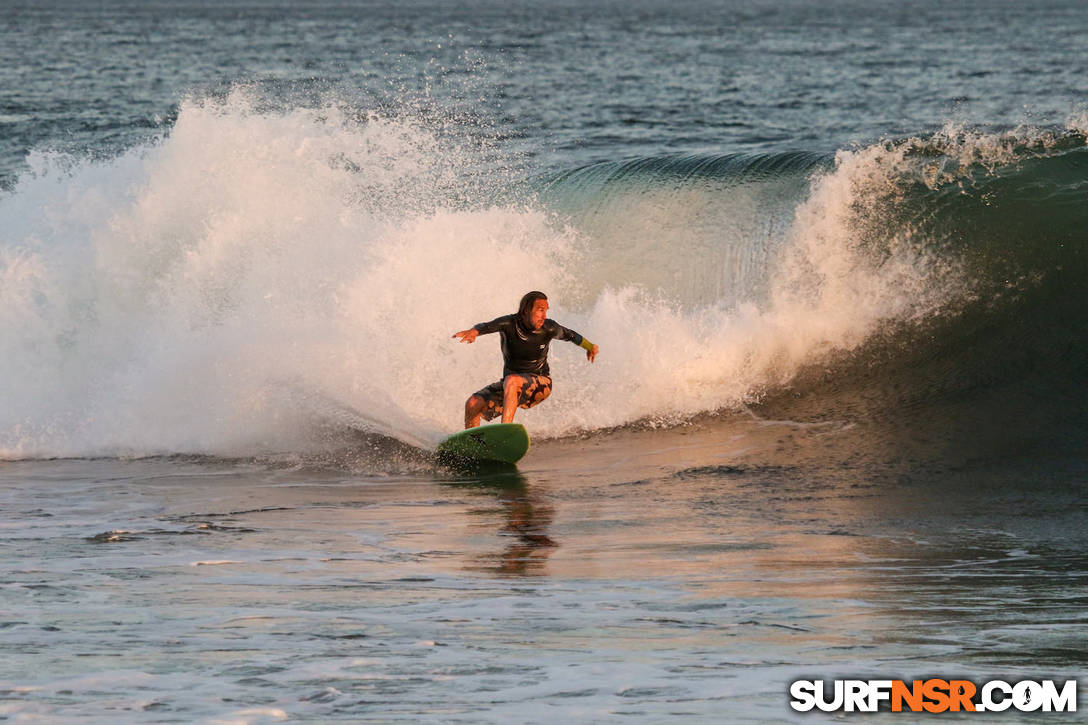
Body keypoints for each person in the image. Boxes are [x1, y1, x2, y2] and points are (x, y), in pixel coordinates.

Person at [453, 291, 599, 428]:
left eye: (546, 311)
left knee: (512, 381)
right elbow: (486, 326)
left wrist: (590, 346)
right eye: (540, 310)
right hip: (510, 387)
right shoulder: (509, 324)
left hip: (541, 383)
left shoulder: (549, 328)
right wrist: (474, 332)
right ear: (526, 310)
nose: (544, 316)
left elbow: (571, 335)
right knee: (473, 404)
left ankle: (505, 431)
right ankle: (473, 446)